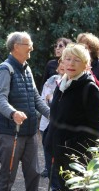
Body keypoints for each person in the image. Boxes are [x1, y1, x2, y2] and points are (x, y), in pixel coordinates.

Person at [0, 31, 50, 191]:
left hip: (30, 133)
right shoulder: (5, 69)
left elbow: (36, 98)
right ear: (16, 47)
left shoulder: (27, 68)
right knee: (8, 176)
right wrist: (13, 113)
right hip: (11, 133)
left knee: (34, 174)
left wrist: (52, 115)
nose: (32, 47)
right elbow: (0, 99)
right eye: (29, 44)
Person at [44, 43, 99, 190]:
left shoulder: (89, 88)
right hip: (57, 153)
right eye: (68, 59)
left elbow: (95, 128)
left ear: (85, 64)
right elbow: (55, 118)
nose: (71, 63)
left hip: (76, 157)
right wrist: (49, 141)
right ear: (62, 62)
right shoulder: (62, 85)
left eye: (76, 60)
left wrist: (70, 146)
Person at [39, 60, 64, 190]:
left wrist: (52, 99)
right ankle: (54, 186)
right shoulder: (50, 82)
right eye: (62, 64)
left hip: (62, 129)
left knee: (60, 162)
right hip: (46, 126)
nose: (64, 66)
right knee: (50, 163)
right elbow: (42, 100)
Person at [77, 33, 99, 106]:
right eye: (79, 45)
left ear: (91, 48)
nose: (81, 48)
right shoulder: (75, 64)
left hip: (96, 103)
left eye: (84, 46)